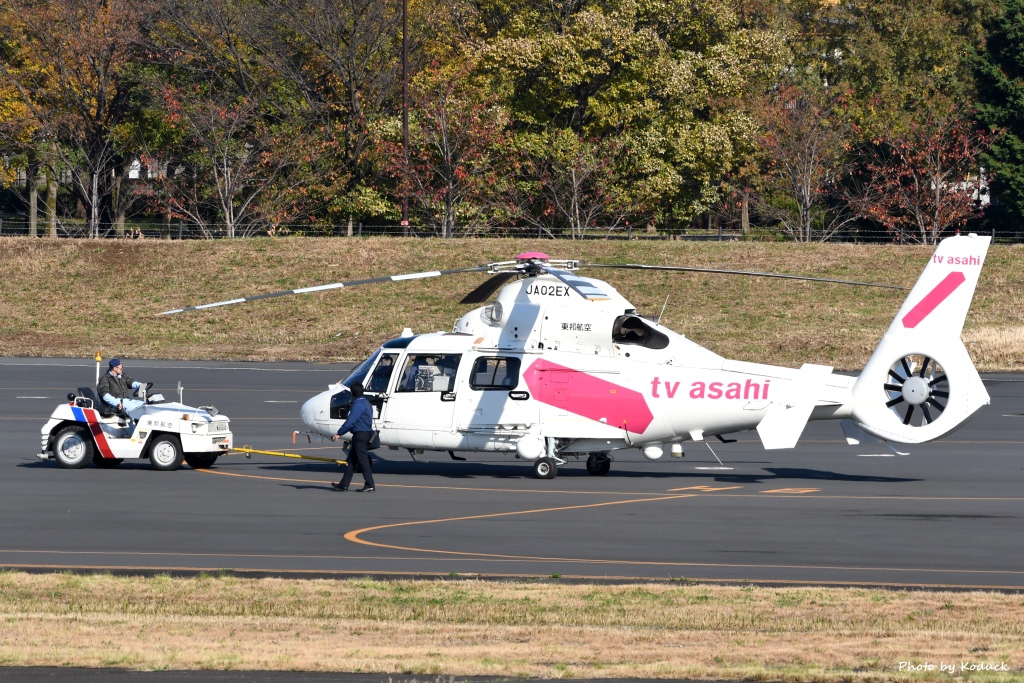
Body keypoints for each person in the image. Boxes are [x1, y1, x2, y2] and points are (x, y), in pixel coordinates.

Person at [331, 381, 376, 492]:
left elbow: (350, 422)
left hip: (360, 436)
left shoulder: (358, 405)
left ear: (352, 394)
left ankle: (370, 484)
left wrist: (339, 433)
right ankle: (344, 484)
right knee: (351, 461)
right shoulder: (366, 403)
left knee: (363, 461)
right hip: (363, 434)